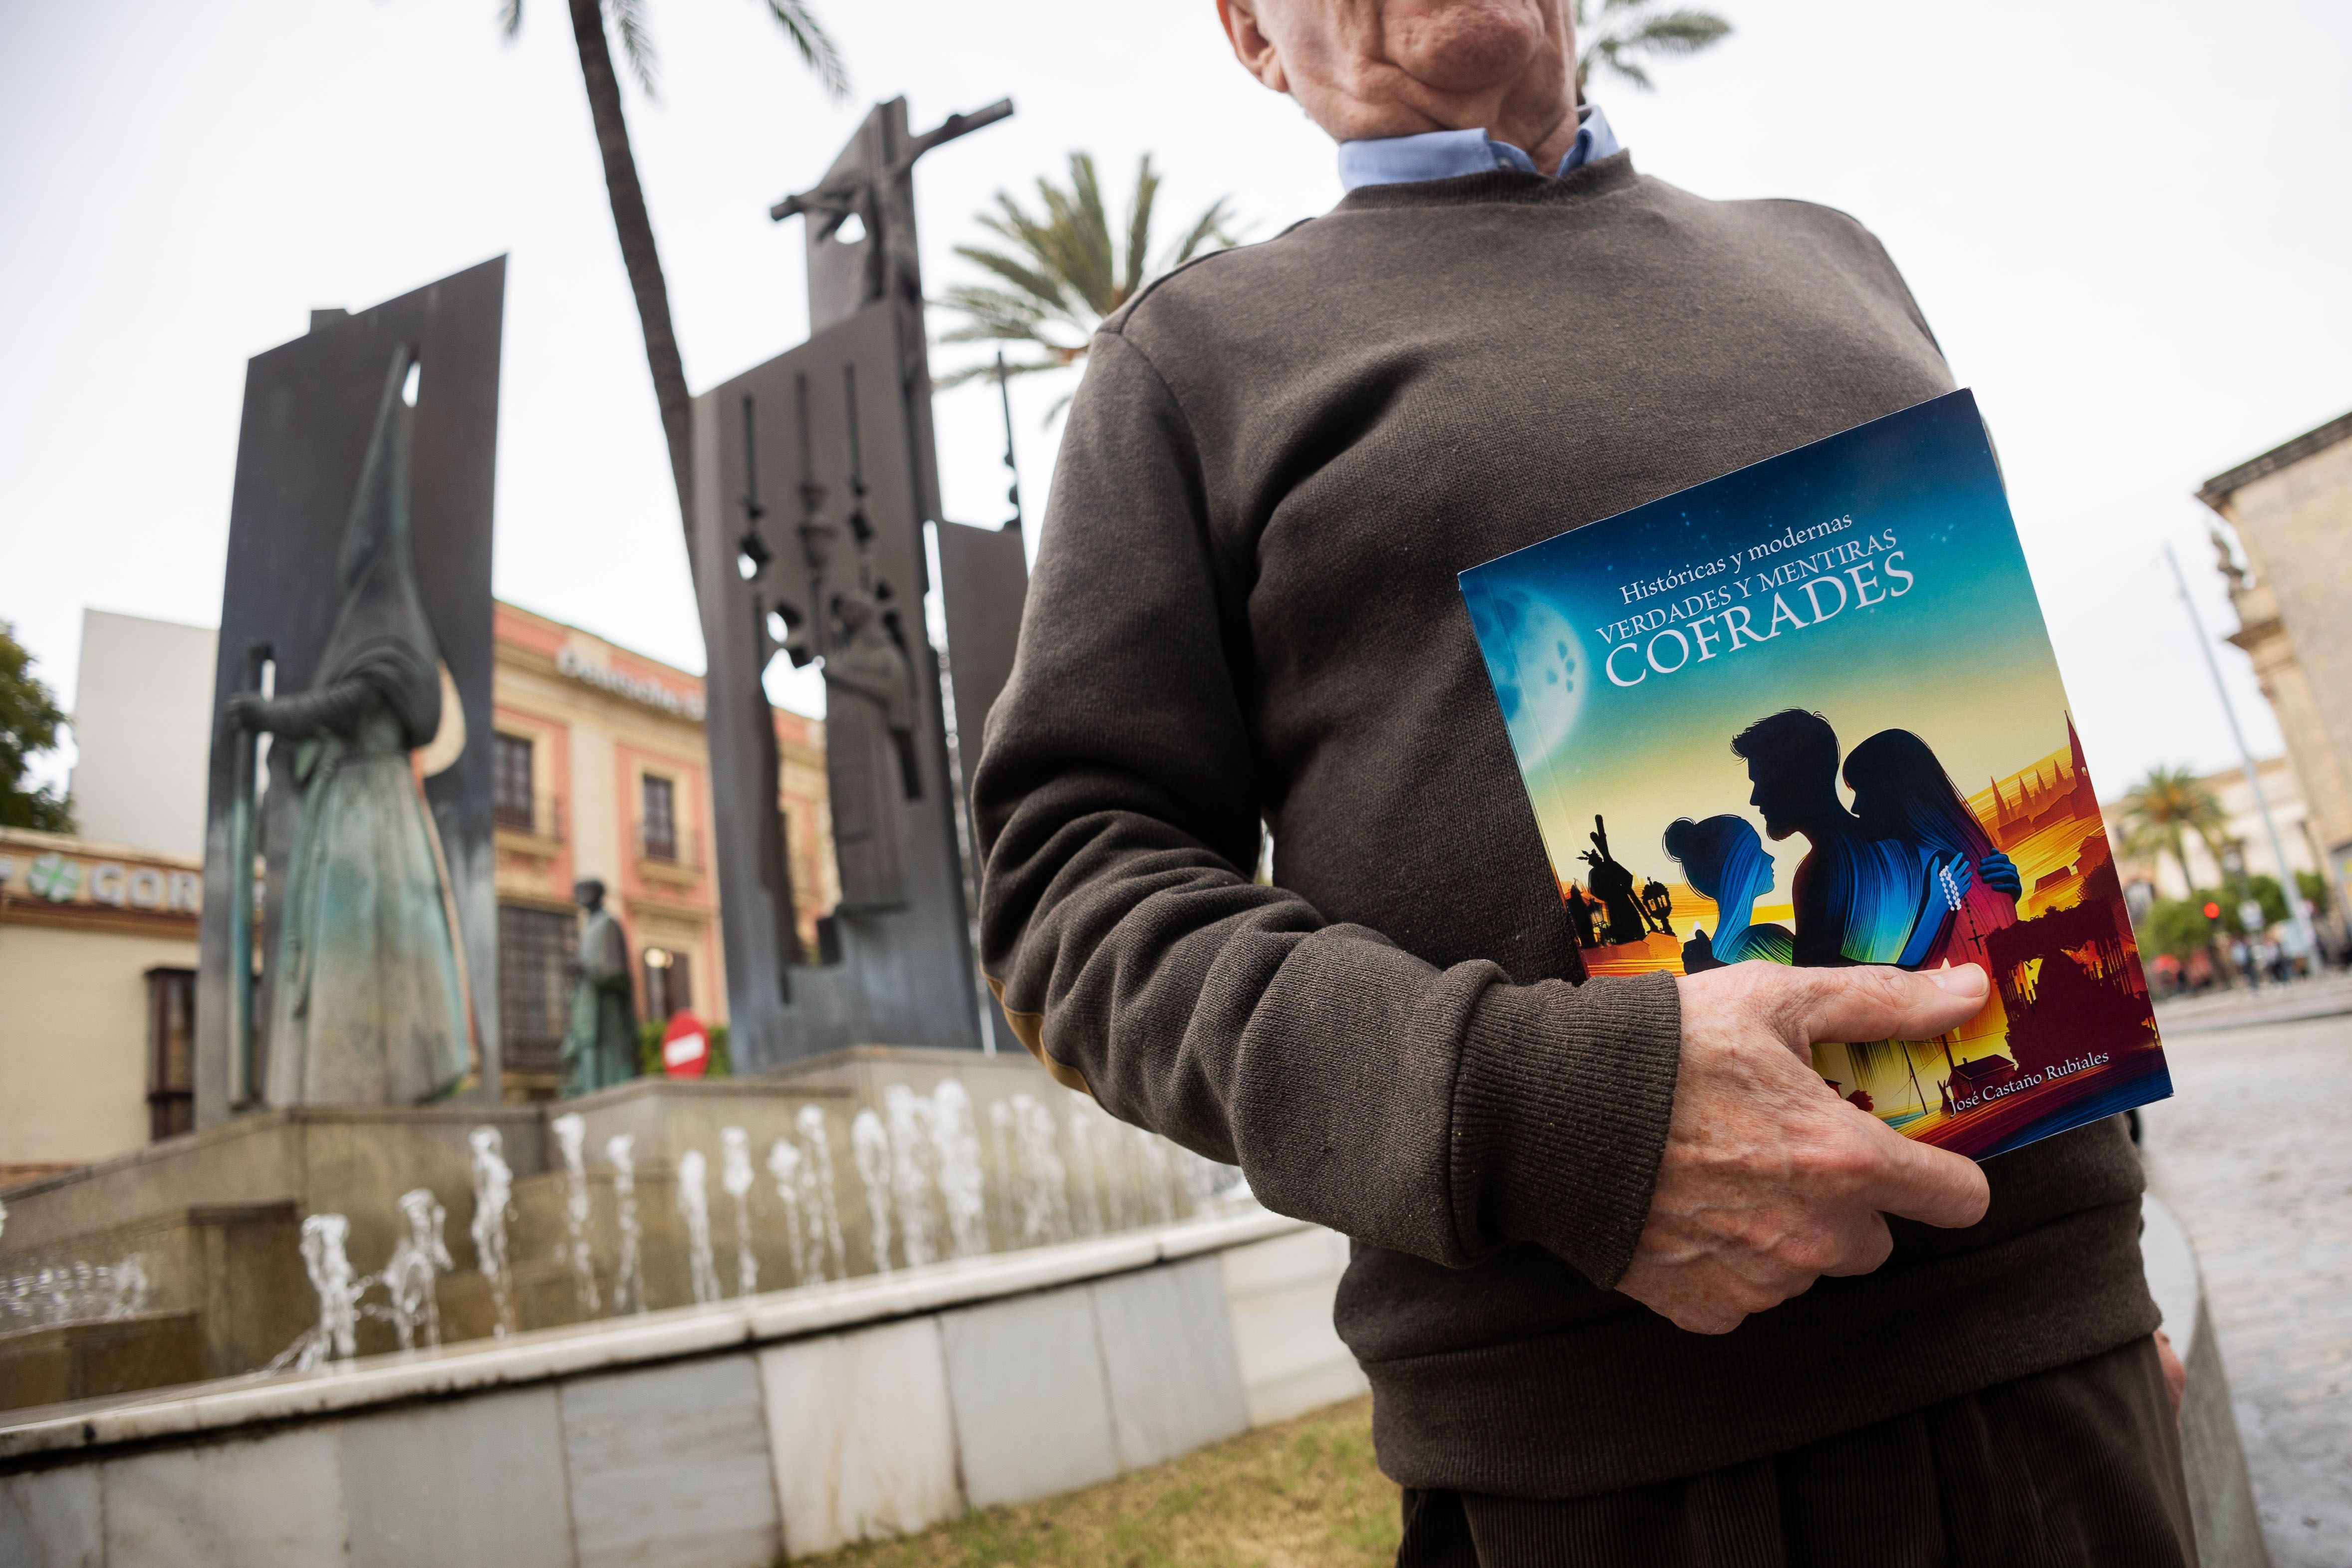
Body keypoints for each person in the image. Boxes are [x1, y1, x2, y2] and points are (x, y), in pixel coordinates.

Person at [971, 1, 2191, 1559]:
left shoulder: (1837, 257)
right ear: (1249, 37)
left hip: (2057, 1391)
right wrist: (1550, 1117)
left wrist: (2103, 1270)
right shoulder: (1185, 364)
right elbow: (1069, 888)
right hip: (1608, 1479)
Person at [229, 348, 471, 1107]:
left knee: (372, 942)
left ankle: (385, 1076)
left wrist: (267, 714)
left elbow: (338, 709)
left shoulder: (387, 644)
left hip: (373, 809)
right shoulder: (368, 631)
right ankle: (339, 1079)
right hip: (351, 809)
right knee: (341, 952)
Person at [1842, 728, 2022, 972]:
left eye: (1864, 792)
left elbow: (1902, 978)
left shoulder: (1943, 869)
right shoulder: (1914, 870)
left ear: (1895, 792)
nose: (1856, 807)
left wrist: (1999, 902)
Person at [1661, 814, 1794, 971]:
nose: (1770, 858)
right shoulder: (1764, 941)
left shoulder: (1715, 948)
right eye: (1757, 851)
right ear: (1741, 868)